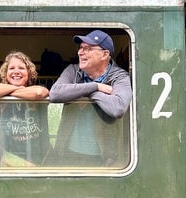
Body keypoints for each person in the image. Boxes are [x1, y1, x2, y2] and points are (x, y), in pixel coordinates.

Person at [48, 30, 132, 166]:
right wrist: (95, 87)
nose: (80, 52)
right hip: (68, 152)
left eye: (88, 49)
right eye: (80, 48)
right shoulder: (73, 70)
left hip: (104, 157)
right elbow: (55, 94)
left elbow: (118, 108)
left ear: (105, 54)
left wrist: (89, 91)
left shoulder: (120, 76)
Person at [0, 51, 50, 166]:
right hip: (11, 157)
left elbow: (39, 93)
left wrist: (12, 92)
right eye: (11, 68)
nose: (16, 71)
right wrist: (17, 88)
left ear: (29, 72)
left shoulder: (38, 87)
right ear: (5, 73)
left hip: (40, 156)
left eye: (21, 68)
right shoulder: (0, 90)